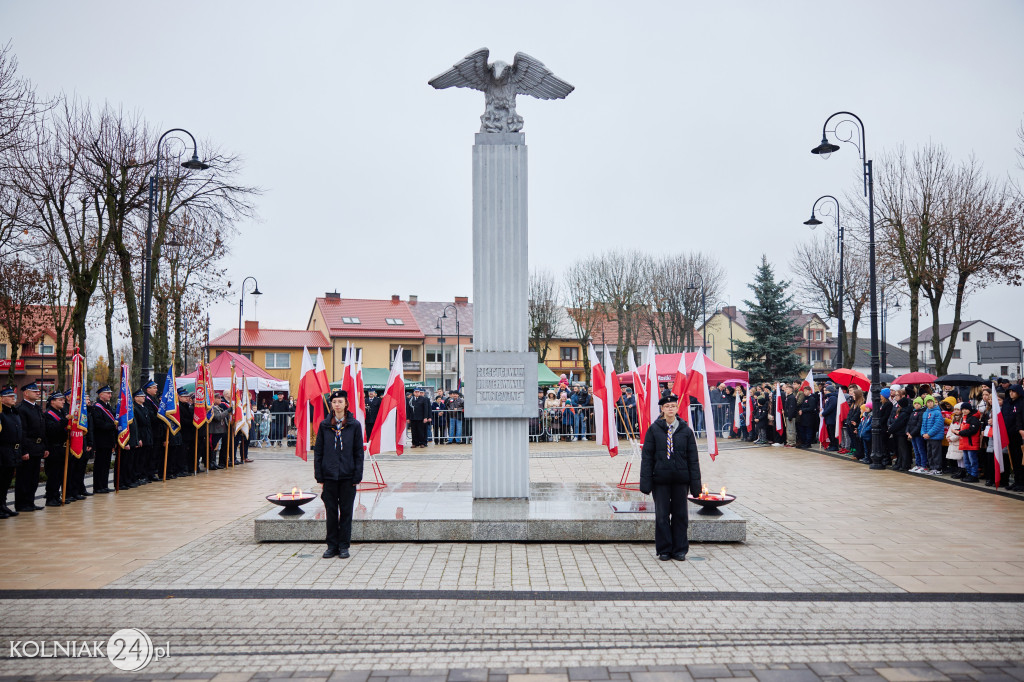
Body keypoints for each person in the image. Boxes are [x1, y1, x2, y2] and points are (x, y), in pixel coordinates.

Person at [639, 394, 701, 562]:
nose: (670, 409)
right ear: (662, 409)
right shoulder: (654, 430)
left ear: (677, 408)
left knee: (680, 515)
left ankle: (680, 549)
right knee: (662, 516)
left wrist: (696, 486)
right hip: (661, 480)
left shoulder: (686, 431)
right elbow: (647, 458)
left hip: (681, 480)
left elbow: (693, 459)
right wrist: (646, 482)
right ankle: (664, 549)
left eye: (673, 406)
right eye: (667, 406)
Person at [313, 389, 364, 559]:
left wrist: (357, 475)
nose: (337, 405)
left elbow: (358, 452)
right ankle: (331, 545)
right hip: (329, 476)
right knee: (331, 511)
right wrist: (319, 475)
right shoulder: (325, 425)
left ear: (346, 404)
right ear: (331, 405)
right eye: (334, 402)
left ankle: (344, 546)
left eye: (340, 402)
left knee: (346, 512)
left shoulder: (354, 425)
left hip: (347, 476)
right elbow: (318, 451)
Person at [14, 382, 47, 512]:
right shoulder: (22, 409)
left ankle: (30, 501)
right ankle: (22, 504)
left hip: (37, 447)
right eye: (34, 391)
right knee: (24, 477)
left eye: (38, 391)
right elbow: (22, 432)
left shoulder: (37, 408)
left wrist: (44, 447)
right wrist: (24, 450)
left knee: (33, 478)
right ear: (26, 393)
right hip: (28, 447)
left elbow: (42, 429)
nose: (38, 393)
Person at [43, 391, 70, 507]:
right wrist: (65, 420)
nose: (63, 402)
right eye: (60, 400)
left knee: (60, 475)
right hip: (54, 448)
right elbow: (52, 430)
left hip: (62, 448)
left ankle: (57, 496)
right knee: (53, 475)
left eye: (63, 400)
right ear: (52, 402)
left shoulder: (62, 412)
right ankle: (50, 498)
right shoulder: (48, 414)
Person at [0, 386, 23, 518]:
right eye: (9, 396)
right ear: (1, 399)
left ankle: (3, 505)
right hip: (3, 450)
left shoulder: (14, 412)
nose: (13, 398)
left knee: (6, 480)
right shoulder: (1, 414)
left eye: (13, 396)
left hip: (13, 451)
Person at [90, 386, 117, 492]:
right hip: (101, 440)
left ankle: (104, 485)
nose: (110, 395)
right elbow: (99, 423)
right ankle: (98, 486)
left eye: (110, 393)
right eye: (107, 393)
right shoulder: (97, 407)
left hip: (109, 439)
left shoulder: (108, 407)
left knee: (106, 464)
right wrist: (112, 426)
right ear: (101, 394)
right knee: (100, 464)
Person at [955, 401, 982, 483]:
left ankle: (974, 475)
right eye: (963, 409)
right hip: (965, 443)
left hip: (971, 443)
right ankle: (969, 474)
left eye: (966, 409)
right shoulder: (964, 418)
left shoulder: (973, 418)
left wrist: (959, 432)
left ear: (970, 409)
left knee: (972, 460)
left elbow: (972, 430)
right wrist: (957, 431)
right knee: (967, 461)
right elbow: (964, 429)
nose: (964, 411)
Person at [920, 395, 945, 475]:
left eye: (931, 401)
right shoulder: (925, 413)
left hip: (935, 437)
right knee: (930, 453)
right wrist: (923, 433)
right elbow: (923, 424)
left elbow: (937, 425)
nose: (930, 403)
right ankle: (932, 467)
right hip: (928, 437)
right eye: (928, 402)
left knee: (936, 453)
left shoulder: (937, 412)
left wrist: (929, 434)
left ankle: (937, 468)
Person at [782, 384, 798, 448]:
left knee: (791, 430)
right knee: (788, 430)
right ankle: (788, 441)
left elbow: (792, 408)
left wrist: (790, 416)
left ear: (791, 390)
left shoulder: (792, 397)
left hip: (790, 416)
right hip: (787, 415)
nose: (785, 390)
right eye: (785, 389)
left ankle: (792, 442)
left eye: (787, 389)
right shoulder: (788, 397)